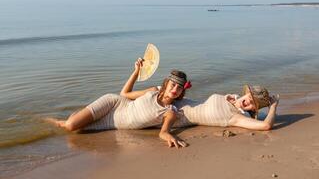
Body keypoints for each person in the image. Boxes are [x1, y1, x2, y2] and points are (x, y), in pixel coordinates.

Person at [46, 58, 190, 148]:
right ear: (166, 84)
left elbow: (163, 133)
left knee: (78, 129)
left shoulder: (170, 111)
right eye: (173, 85)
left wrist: (171, 137)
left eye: (179, 88)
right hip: (113, 104)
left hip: (113, 123)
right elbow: (124, 95)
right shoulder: (153, 90)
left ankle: (73, 115)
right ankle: (48, 120)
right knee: (70, 125)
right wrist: (136, 72)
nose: (175, 89)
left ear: (181, 91)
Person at [173, 85, 279, 131]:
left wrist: (273, 107)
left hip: (176, 115)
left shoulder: (236, 117)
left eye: (253, 103)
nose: (248, 101)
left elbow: (266, 125)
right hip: (179, 100)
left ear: (253, 109)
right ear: (246, 94)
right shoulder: (232, 98)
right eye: (250, 97)